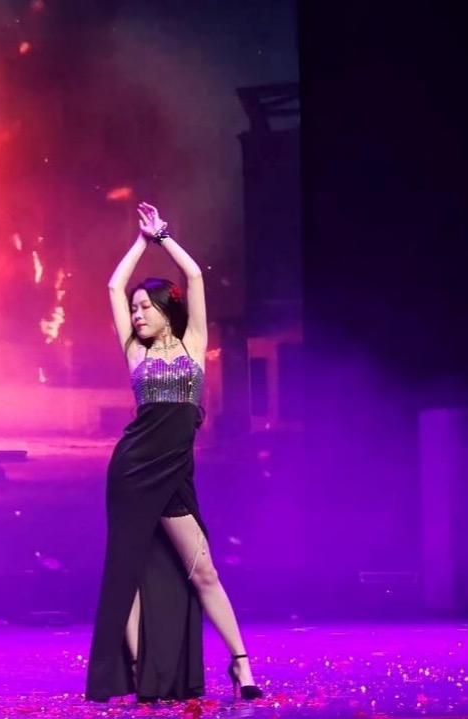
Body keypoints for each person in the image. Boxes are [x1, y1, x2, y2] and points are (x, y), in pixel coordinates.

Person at [85, 203, 263, 703]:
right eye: (135, 308)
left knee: (203, 570)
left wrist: (161, 237)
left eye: (146, 306)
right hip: (132, 470)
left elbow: (195, 276)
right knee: (126, 573)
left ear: (167, 310)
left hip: (175, 473)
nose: (137, 314)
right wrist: (138, 244)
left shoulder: (193, 344)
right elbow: (113, 287)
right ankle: (141, 672)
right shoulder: (134, 352)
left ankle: (242, 664)